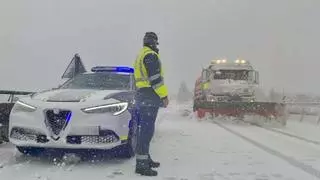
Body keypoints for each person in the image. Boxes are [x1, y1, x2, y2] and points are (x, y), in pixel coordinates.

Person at [133, 32, 169, 176]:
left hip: (143, 95)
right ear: (154, 42)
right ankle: (141, 165)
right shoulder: (151, 55)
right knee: (146, 131)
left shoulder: (142, 54)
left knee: (145, 130)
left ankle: (145, 159)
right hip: (149, 96)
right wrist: (164, 95)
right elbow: (155, 79)